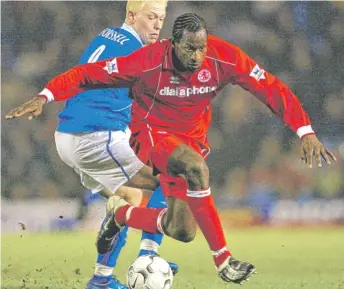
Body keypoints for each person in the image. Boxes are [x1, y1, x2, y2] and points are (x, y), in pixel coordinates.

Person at [6, 12, 337, 285]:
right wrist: (46, 95)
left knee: (182, 229)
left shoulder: (225, 57)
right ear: (172, 44)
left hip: (191, 140)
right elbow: (88, 75)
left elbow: (270, 88)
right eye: (189, 49)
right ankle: (223, 260)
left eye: (201, 49)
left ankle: (120, 216)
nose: (196, 57)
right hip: (150, 135)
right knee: (195, 167)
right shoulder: (147, 61)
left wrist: (304, 130)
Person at [6, 1, 180, 289]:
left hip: (70, 135)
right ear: (132, 15)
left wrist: (45, 96)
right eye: (152, 17)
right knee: (173, 177)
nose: (158, 24)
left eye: (161, 18)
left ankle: (101, 279)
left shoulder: (109, 35)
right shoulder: (136, 51)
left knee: (129, 199)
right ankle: (149, 256)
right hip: (98, 135)